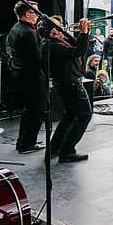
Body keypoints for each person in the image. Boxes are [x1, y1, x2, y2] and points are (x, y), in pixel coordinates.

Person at [43, 17, 93, 163]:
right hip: (71, 84)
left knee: (69, 115)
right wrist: (83, 33)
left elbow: (74, 45)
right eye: (59, 28)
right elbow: (79, 51)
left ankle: (55, 147)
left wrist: (83, 33)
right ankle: (68, 151)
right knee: (84, 115)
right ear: (52, 31)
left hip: (64, 84)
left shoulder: (53, 43)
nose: (63, 30)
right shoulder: (55, 46)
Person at [6, 1, 45, 154]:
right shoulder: (28, 32)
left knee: (28, 110)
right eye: (35, 12)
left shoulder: (16, 28)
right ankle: (28, 143)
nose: (38, 15)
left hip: (21, 74)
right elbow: (36, 58)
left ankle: (24, 141)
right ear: (27, 14)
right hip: (31, 76)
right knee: (37, 110)